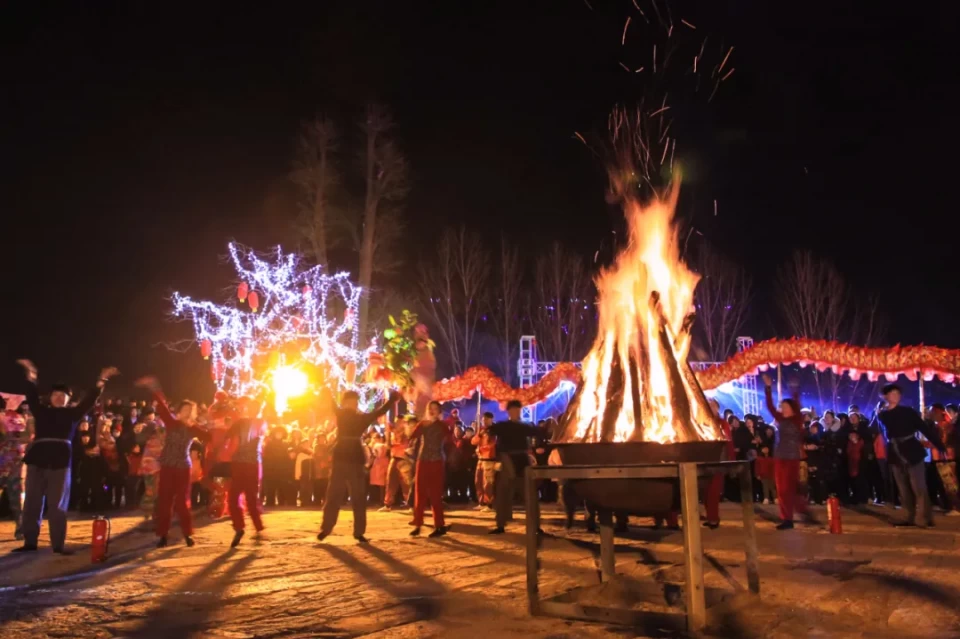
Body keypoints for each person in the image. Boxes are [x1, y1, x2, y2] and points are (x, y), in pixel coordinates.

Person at [14, 359, 118, 554]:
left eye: (64, 395)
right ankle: (30, 541)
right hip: (37, 459)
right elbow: (31, 396)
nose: (59, 397)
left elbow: (89, 400)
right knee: (32, 502)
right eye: (56, 394)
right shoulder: (41, 411)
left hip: (60, 461)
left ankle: (58, 544)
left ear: (69, 399)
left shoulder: (73, 414)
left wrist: (101, 379)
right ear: (50, 397)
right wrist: (32, 377)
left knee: (57, 504)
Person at [134, 376, 209, 548]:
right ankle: (162, 535)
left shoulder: (193, 428)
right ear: (179, 411)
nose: (187, 413)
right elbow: (161, 406)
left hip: (183, 467)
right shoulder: (171, 423)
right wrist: (153, 387)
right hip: (167, 466)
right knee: (164, 502)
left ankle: (188, 533)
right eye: (185, 410)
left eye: (191, 411)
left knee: (182, 503)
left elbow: (210, 437)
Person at [317, 388, 398, 543]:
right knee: (333, 495)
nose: (353, 404)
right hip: (342, 458)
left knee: (358, 497)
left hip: (353, 459)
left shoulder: (361, 418)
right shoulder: (342, 414)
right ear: (346, 402)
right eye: (350, 401)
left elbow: (379, 412)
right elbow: (331, 402)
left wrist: (391, 401)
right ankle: (326, 528)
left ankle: (358, 532)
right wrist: (326, 390)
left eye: (354, 402)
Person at [876, 384, 945, 528]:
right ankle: (908, 515)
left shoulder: (908, 412)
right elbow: (879, 432)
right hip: (895, 452)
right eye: (892, 393)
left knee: (919, 487)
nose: (895, 396)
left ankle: (925, 518)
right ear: (886, 397)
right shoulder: (882, 415)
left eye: (897, 393)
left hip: (912, 451)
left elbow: (924, 428)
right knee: (903, 488)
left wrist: (939, 445)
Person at [487, 400, 548, 534]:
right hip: (507, 460)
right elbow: (490, 430)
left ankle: (535, 525)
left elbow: (539, 433)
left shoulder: (524, 426)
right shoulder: (502, 426)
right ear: (509, 411)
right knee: (503, 495)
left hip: (523, 461)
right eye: (513, 410)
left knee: (530, 495)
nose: (516, 412)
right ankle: (500, 524)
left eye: (518, 410)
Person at [761, 374, 809, 530]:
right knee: (781, 489)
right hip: (779, 457)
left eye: (785, 406)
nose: (783, 408)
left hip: (792, 457)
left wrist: (794, 389)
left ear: (792, 407)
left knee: (790, 488)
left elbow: (797, 401)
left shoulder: (798, 419)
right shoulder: (781, 418)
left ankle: (798, 512)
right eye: (782, 406)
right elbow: (770, 406)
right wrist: (768, 388)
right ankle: (787, 518)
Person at [408, 401, 454, 537]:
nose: (433, 411)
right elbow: (412, 437)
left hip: (437, 461)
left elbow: (450, 440)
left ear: (439, 411)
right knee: (419, 492)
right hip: (422, 461)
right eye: (430, 408)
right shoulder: (423, 424)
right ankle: (417, 523)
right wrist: (411, 428)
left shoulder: (443, 426)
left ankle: (439, 525)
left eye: (436, 409)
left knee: (435, 494)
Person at [225, 417, 267, 546]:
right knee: (245, 498)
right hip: (247, 464)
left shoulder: (257, 423)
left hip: (245, 464)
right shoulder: (258, 423)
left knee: (239, 497)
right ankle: (252, 527)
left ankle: (244, 527)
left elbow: (229, 437)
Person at [0, 400, 28, 540]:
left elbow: (25, 436)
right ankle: (21, 530)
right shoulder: (16, 418)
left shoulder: (14, 418)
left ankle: (21, 529)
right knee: (16, 500)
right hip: (13, 463)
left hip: (12, 464)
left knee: (16, 500)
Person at [381, 416, 416, 511]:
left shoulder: (407, 432)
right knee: (390, 481)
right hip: (394, 458)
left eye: (399, 421)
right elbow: (388, 446)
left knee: (407, 483)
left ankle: (411, 505)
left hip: (404, 459)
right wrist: (387, 434)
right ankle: (387, 504)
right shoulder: (393, 432)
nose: (397, 423)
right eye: (396, 421)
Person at [472, 412, 497, 511]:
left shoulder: (494, 431)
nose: (484, 421)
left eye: (487, 419)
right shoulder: (481, 430)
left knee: (487, 483)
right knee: (478, 481)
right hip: (480, 459)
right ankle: (481, 502)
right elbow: (473, 441)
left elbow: (492, 446)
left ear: (491, 419)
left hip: (489, 459)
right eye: (483, 419)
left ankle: (489, 503)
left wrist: (482, 449)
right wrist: (479, 435)